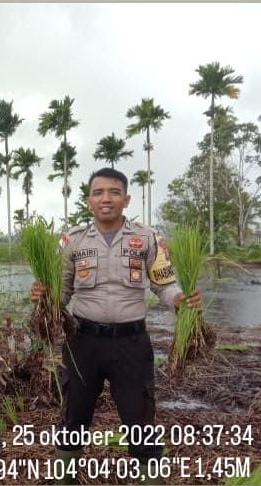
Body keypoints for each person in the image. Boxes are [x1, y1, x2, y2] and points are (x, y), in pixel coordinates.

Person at [30, 168, 202, 485]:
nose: (105, 198)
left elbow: (164, 285)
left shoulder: (149, 239)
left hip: (131, 344)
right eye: (98, 192)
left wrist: (180, 300)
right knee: (73, 416)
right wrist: (45, 296)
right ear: (88, 201)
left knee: (140, 421)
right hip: (82, 342)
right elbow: (62, 291)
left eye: (113, 192)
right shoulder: (70, 241)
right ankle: (63, 480)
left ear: (126, 199)